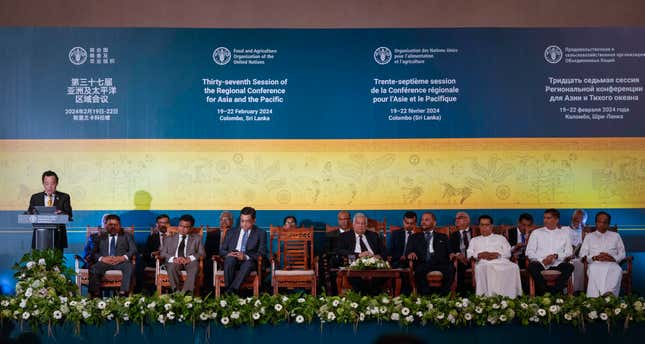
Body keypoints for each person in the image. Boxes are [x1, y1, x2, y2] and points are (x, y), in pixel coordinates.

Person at [467, 215, 522, 298]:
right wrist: (479, 255)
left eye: (487, 225)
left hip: (501, 261)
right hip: (483, 262)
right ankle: (489, 297)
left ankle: (511, 297)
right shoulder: (474, 240)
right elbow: (469, 254)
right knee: (488, 266)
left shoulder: (500, 238)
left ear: (491, 226)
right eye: (482, 225)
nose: (484, 228)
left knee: (514, 267)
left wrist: (497, 255)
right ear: (479, 226)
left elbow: (508, 252)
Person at [525, 209, 574, 295]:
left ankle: (553, 292)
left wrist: (556, 256)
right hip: (541, 265)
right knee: (532, 266)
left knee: (569, 266)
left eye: (548, 218)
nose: (545, 220)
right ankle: (547, 292)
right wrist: (542, 260)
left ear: (556, 220)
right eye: (544, 218)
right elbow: (529, 252)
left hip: (558, 265)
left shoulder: (564, 233)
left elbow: (569, 252)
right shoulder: (536, 233)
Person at [219, 207, 267, 294]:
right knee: (229, 260)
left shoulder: (260, 233)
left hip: (249, 261)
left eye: (247, 221)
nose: (244, 224)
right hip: (233, 259)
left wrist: (245, 256)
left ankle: (231, 292)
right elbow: (222, 250)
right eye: (242, 221)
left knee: (248, 263)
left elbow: (262, 253)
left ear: (254, 220)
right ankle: (232, 292)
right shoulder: (231, 232)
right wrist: (229, 254)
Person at [336, 213, 386, 294]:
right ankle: (367, 297)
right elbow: (339, 250)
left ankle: (369, 297)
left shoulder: (373, 235)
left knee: (380, 276)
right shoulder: (345, 236)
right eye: (358, 223)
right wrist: (358, 255)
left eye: (363, 224)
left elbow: (385, 252)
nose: (360, 226)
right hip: (355, 266)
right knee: (357, 278)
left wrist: (378, 256)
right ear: (353, 224)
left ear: (366, 225)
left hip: (374, 267)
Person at [88, 214, 137, 297]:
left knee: (129, 267)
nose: (113, 227)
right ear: (106, 225)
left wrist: (122, 258)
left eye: (116, 225)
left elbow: (133, 250)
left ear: (120, 225)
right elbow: (93, 252)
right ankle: (96, 295)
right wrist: (102, 258)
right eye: (110, 225)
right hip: (105, 262)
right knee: (94, 268)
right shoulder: (100, 237)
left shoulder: (127, 236)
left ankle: (123, 293)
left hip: (121, 262)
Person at [579, 211, 626, 297]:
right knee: (595, 269)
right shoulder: (589, 236)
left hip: (612, 264)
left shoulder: (616, 236)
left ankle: (610, 298)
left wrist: (613, 258)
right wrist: (595, 258)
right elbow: (582, 254)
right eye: (599, 222)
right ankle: (597, 299)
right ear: (596, 222)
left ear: (608, 224)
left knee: (616, 270)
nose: (602, 224)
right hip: (595, 264)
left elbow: (622, 253)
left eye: (605, 222)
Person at [405, 211, 453, 294]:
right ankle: (425, 298)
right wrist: (410, 253)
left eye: (426, 220)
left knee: (451, 269)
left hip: (440, 263)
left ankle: (443, 298)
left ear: (434, 223)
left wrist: (452, 254)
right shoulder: (414, 237)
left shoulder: (443, 237)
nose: (423, 222)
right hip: (423, 263)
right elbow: (408, 252)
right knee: (419, 271)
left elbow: (450, 252)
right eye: (422, 220)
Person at [27, 170, 73, 251]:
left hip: (58, 237)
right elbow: (29, 214)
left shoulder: (64, 197)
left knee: (57, 263)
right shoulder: (35, 197)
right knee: (39, 263)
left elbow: (69, 216)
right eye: (46, 183)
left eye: (52, 183)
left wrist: (61, 213)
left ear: (57, 183)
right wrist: (32, 214)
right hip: (39, 237)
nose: (49, 186)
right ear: (43, 184)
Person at [160, 214, 204, 293]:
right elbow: (162, 253)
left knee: (194, 266)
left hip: (189, 262)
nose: (182, 229)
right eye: (180, 226)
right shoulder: (169, 238)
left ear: (191, 228)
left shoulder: (197, 238)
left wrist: (189, 258)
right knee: (171, 266)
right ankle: (176, 292)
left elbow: (202, 253)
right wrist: (173, 258)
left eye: (186, 227)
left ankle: (186, 293)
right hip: (175, 261)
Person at [563, 209, 587, 292]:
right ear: (572, 219)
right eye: (575, 219)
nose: (577, 222)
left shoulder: (585, 233)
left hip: (579, 258)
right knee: (570, 263)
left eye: (580, 221)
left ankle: (578, 291)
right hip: (565, 256)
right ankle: (567, 291)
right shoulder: (564, 229)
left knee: (579, 263)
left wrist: (584, 232)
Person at [449, 211, 473, 293]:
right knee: (458, 266)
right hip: (460, 260)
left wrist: (472, 256)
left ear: (467, 220)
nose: (456, 220)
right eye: (456, 218)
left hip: (474, 258)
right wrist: (458, 254)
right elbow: (450, 248)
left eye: (460, 218)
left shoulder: (476, 232)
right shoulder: (453, 235)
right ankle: (461, 294)